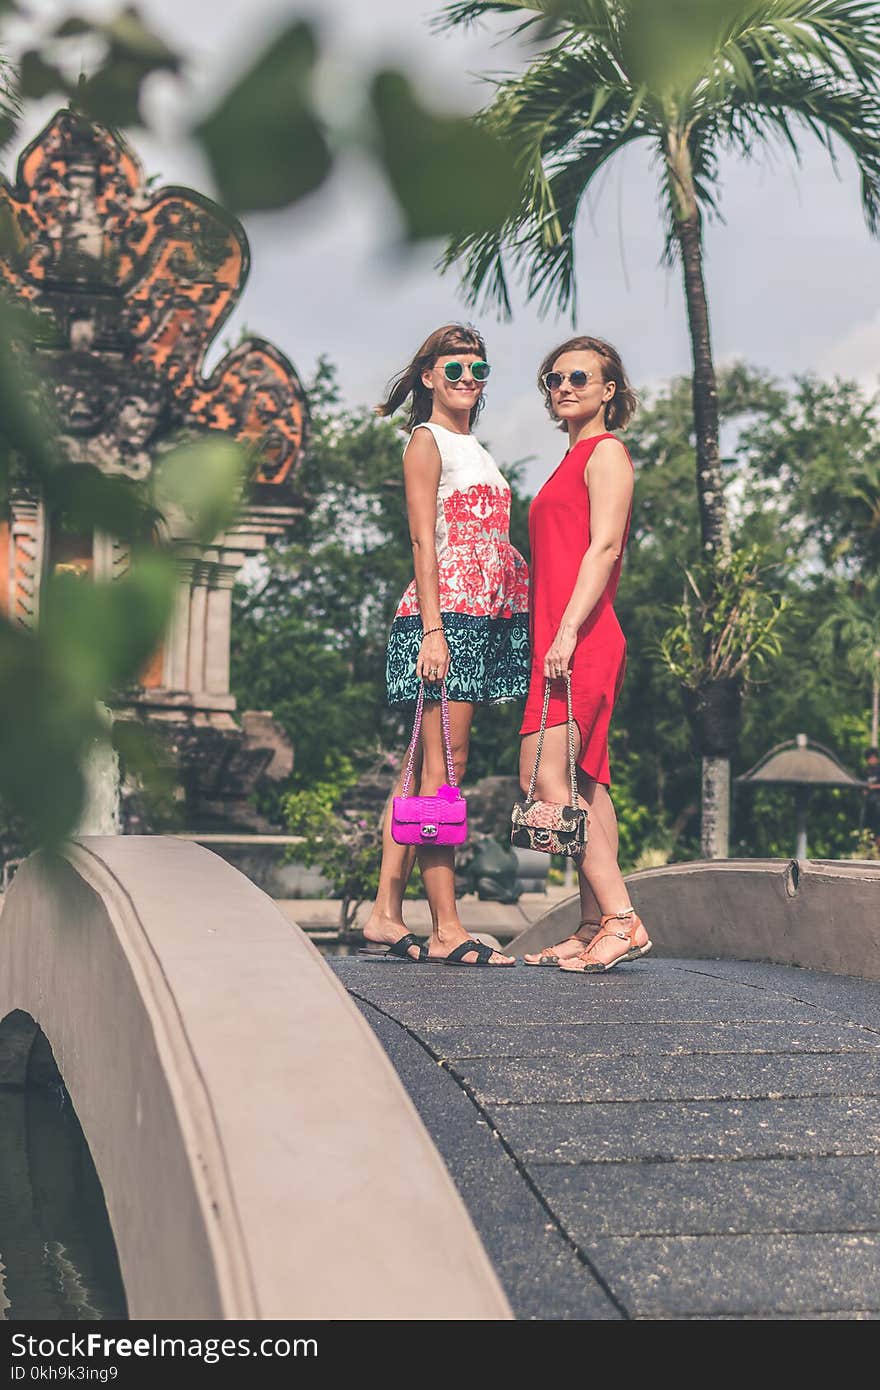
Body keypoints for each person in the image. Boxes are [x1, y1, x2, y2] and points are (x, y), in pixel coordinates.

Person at [362, 323, 529, 965]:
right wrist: (434, 632)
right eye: (454, 369)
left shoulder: (473, 446)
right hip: (447, 616)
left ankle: (383, 912)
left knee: (421, 763)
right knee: (445, 764)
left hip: (480, 613)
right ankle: (446, 926)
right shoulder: (427, 442)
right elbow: (423, 541)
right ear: (429, 376)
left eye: (478, 369)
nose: (467, 380)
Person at [520, 335, 652, 973]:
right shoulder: (567, 461)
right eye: (554, 378)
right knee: (586, 783)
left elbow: (604, 549)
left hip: (582, 637)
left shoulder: (606, 454)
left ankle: (622, 918)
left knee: (549, 778)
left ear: (609, 391)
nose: (564, 387)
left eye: (579, 377)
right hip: (557, 637)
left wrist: (568, 631)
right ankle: (591, 922)